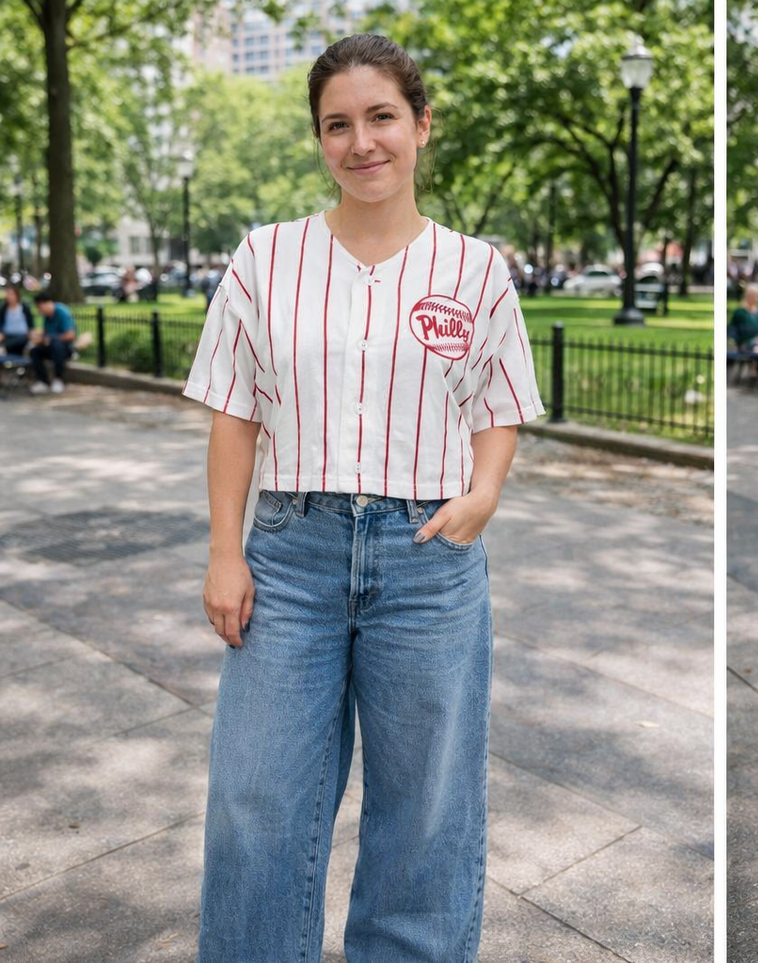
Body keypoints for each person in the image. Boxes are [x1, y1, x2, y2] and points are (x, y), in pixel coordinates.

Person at [182, 33, 543, 962]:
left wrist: (484, 494)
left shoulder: (475, 271)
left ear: (421, 125)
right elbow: (234, 411)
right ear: (318, 140)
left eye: (381, 117)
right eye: (336, 125)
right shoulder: (267, 259)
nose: (361, 142)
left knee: (426, 805)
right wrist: (226, 551)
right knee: (256, 800)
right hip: (289, 556)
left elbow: (498, 404)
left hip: (426, 556)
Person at [29, 290, 77, 394]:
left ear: (44, 304)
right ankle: (43, 381)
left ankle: (58, 379)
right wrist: (38, 336)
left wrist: (51, 338)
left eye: (39, 307)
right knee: (35, 351)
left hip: (65, 348)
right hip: (50, 346)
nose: (39, 310)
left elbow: (71, 335)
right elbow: (46, 333)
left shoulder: (61, 312)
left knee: (57, 346)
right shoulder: (47, 317)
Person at [2, 282, 36, 357]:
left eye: (11, 294)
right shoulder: (4, 308)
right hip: (8, 335)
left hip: (22, 336)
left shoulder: (24, 307)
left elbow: (30, 322)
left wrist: (31, 332)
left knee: (17, 342)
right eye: (8, 294)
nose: (9, 296)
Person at [728, 283, 758, 348]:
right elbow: (732, 329)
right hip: (744, 343)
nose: (753, 298)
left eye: (755, 295)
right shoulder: (740, 312)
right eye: (751, 295)